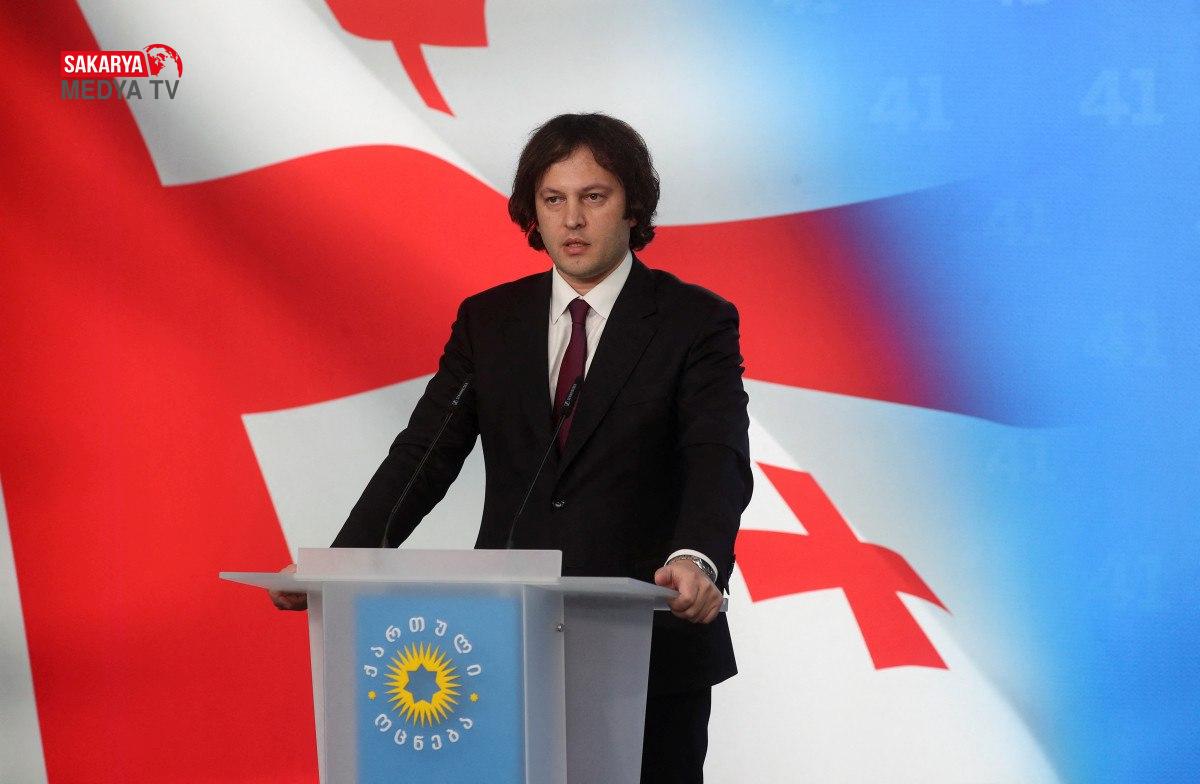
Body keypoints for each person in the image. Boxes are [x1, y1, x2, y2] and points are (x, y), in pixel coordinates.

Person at [271, 113, 751, 783]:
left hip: (648, 644)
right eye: (553, 199)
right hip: (504, 638)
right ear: (533, 211)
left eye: (594, 196)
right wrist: (340, 564)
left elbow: (716, 453)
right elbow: (424, 454)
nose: (572, 219)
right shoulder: (489, 320)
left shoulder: (694, 320)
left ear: (632, 206)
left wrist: (697, 555)